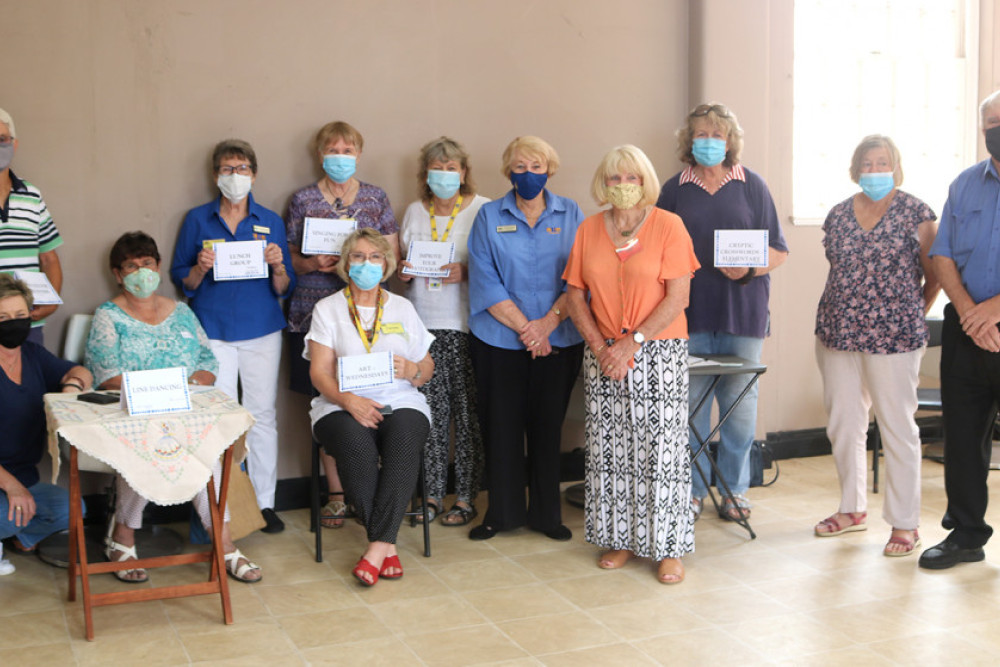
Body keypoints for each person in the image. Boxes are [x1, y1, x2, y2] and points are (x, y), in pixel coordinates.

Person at [86, 232, 261, 583]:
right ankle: (123, 535)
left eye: (147, 264)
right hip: (135, 414)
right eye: (131, 267)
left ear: (158, 266)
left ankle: (223, 545)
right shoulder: (108, 316)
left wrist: (190, 384)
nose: (141, 272)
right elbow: (106, 375)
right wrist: (155, 391)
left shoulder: (181, 312)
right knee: (151, 446)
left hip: (185, 409)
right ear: (118, 274)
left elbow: (207, 361)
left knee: (203, 449)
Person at [564, 145, 699, 584]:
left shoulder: (669, 226)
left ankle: (668, 546)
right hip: (602, 352)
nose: (623, 186)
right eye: (615, 179)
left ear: (646, 182)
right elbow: (574, 295)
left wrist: (631, 342)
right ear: (603, 184)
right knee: (610, 450)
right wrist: (602, 346)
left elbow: (678, 297)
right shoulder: (588, 229)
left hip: (656, 350)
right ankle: (619, 539)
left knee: (660, 451)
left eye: (632, 178)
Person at [656, 102, 788, 521]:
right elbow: (658, 249)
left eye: (717, 135)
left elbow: (779, 251)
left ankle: (734, 491)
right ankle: (692, 491)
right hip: (688, 314)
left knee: (738, 409)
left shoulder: (752, 185)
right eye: (701, 134)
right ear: (688, 141)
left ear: (730, 141)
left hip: (743, 313)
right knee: (689, 408)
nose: (708, 142)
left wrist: (750, 266)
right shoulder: (674, 189)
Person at [813, 135, 939, 557]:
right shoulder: (837, 215)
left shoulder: (917, 212)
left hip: (896, 336)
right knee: (844, 423)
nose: (874, 169)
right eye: (867, 163)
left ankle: (905, 524)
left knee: (897, 427)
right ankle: (852, 510)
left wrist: (910, 310)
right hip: (838, 332)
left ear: (895, 166)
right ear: (856, 169)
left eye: (882, 162)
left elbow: (934, 273)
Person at [171, 139, 295, 534]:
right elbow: (183, 280)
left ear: (254, 175)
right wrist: (200, 268)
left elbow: (284, 286)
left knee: (261, 415)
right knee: (219, 420)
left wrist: (277, 265)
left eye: (242, 168)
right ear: (215, 175)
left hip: (261, 329)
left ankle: (264, 503)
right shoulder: (196, 219)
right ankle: (221, 507)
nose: (235, 176)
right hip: (213, 331)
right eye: (227, 169)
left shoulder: (270, 220)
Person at [466, 136, 584, 541]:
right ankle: (501, 514)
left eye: (536, 167)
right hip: (499, 340)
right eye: (519, 167)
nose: (528, 174)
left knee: (549, 427)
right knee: (501, 427)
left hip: (559, 338)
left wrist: (547, 325)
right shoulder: (487, 216)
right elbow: (485, 281)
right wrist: (527, 330)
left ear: (550, 170)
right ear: (508, 171)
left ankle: (547, 516)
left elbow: (581, 279)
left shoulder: (572, 214)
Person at [285, 121, 397, 530]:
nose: (340, 156)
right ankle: (336, 494)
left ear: (359, 155)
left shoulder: (375, 197)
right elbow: (289, 257)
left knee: (376, 396)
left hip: (368, 318)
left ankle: (375, 491)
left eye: (347, 150)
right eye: (332, 150)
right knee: (327, 402)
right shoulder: (301, 200)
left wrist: (364, 269)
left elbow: (392, 253)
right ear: (320, 155)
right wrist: (312, 264)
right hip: (313, 315)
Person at [307, 229, 434, 586]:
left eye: (375, 257)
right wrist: (349, 401)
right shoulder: (328, 309)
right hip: (339, 403)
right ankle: (387, 547)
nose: (367, 264)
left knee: (406, 439)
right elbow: (318, 372)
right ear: (347, 264)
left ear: (387, 264)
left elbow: (427, 367)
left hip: (401, 397)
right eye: (359, 257)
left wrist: (414, 370)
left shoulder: (402, 308)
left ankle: (376, 547)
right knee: (355, 444)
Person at [920, 90, 1000, 569]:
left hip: (987, 318)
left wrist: (994, 310)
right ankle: (966, 534)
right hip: (966, 328)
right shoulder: (966, 184)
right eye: (990, 120)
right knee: (964, 436)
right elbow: (942, 255)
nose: (997, 126)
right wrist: (972, 313)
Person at [397, 137, 488, 525]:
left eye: (452, 168)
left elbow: (494, 268)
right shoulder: (415, 212)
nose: (445, 175)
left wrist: (466, 272)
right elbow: (401, 267)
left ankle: (466, 497)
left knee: (467, 416)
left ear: (464, 172)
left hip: (468, 327)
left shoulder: (483, 210)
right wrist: (401, 272)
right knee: (429, 417)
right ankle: (431, 495)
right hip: (422, 329)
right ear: (425, 174)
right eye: (437, 168)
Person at [0, 273, 92, 575]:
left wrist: (71, 388)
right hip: (8, 481)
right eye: (2, 317)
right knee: (7, 512)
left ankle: (20, 539)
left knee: (74, 508)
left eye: (20, 315)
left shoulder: (33, 354)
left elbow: (79, 371)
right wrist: (12, 487)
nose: (12, 323)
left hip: (24, 477)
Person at [0, 108, 64, 344]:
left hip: (26, 323)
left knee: (30, 380)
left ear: (14, 145)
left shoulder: (31, 195)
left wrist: (51, 301)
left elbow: (49, 259)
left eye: (2, 140)